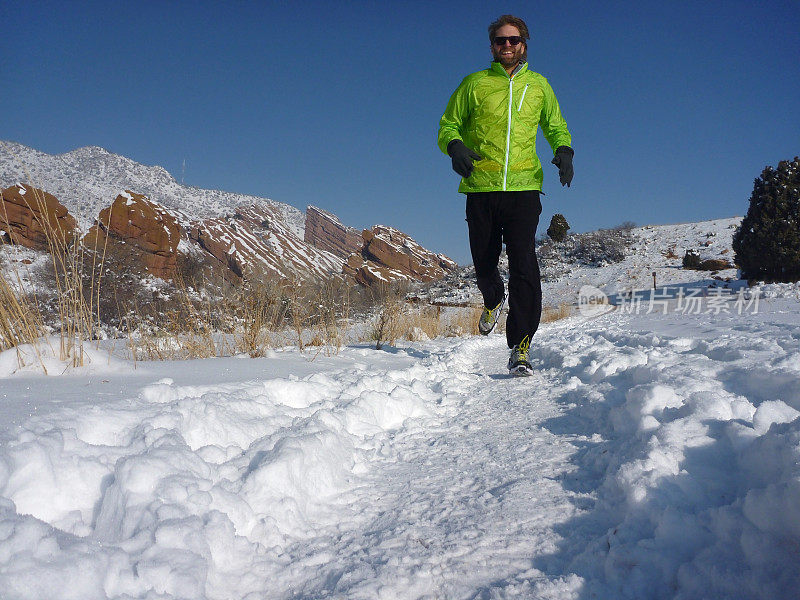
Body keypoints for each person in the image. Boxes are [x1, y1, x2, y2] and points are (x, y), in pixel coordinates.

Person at [437, 14, 574, 376]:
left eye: (513, 40)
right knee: (483, 259)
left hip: (524, 188)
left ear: (524, 44)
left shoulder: (540, 86)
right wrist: (454, 147)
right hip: (481, 187)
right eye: (500, 41)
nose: (507, 46)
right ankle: (493, 298)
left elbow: (556, 125)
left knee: (524, 262)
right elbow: (448, 123)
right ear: (493, 47)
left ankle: (521, 345)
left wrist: (564, 150)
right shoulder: (475, 84)